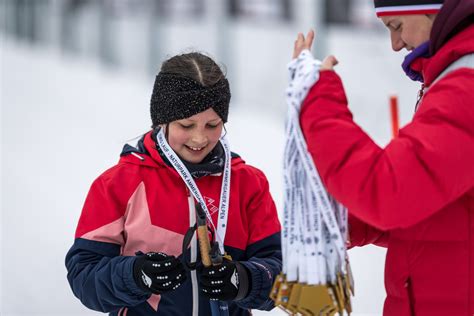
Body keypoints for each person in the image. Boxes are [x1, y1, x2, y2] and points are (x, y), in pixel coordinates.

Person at [292, 0, 474, 315]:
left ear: (432, 9)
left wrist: (317, 98)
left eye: (396, 26)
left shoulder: (466, 87)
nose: (395, 44)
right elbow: (434, 203)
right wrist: (343, 217)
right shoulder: (456, 77)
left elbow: (390, 193)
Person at [65, 52, 282, 316]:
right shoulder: (118, 184)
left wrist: (245, 280)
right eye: (186, 124)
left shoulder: (248, 184)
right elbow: (83, 275)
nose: (200, 138)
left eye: (212, 124)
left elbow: (282, 271)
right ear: (161, 120)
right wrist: (135, 275)